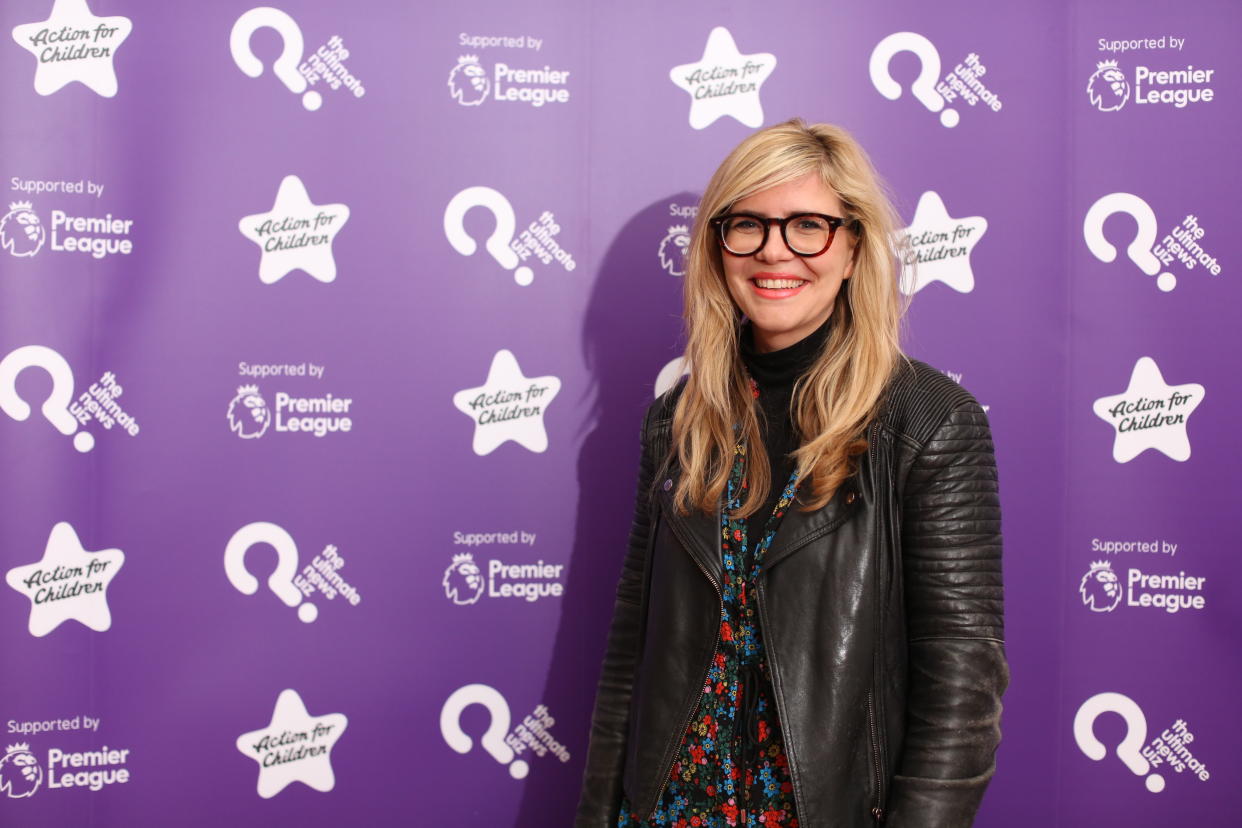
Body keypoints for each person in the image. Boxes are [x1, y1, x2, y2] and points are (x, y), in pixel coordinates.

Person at [576, 119, 1008, 828]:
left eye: (808, 225)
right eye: (747, 225)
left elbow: (961, 684)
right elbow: (632, 654)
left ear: (852, 247)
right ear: (718, 249)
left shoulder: (928, 423)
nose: (775, 250)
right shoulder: (676, 421)